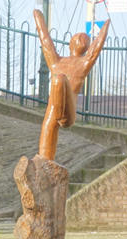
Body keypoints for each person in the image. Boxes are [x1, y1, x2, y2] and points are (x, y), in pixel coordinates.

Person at [32, 9, 109, 161]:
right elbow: (45, 41)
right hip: (54, 110)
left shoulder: (83, 63)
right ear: (70, 43)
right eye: (78, 37)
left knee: (59, 80)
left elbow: (96, 49)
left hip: (68, 111)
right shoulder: (56, 62)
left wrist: (105, 28)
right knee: (49, 120)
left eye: (84, 38)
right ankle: (44, 161)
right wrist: (39, 20)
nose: (80, 38)